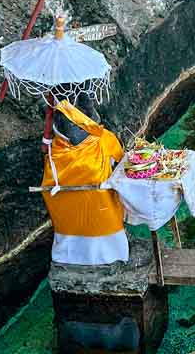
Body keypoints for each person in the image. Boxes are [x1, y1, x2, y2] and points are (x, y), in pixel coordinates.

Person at [42, 95, 129, 265]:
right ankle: (110, 255)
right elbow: (122, 161)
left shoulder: (55, 155)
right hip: (102, 213)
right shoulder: (104, 140)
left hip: (70, 215)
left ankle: (71, 256)